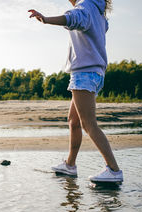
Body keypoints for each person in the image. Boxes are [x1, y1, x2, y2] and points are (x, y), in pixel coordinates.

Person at [28, 0, 123, 182]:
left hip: (85, 73)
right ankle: (70, 165)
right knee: (74, 121)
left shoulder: (85, 6)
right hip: (93, 72)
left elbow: (72, 18)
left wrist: (46, 19)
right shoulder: (97, 11)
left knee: (88, 124)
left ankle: (114, 170)